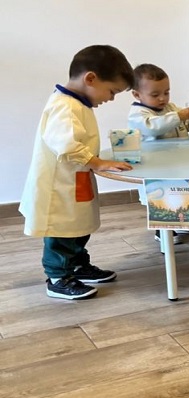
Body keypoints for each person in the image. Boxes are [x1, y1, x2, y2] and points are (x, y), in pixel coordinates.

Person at [19, 45, 135, 300]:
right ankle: (58, 277)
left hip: (75, 179)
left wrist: (94, 162)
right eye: (112, 91)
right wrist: (97, 162)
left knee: (79, 226)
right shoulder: (65, 106)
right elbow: (66, 144)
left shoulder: (77, 104)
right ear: (90, 78)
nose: (111, 98)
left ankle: (78, 266)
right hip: (58, 185)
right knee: (62, 230)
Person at [128, 63, 189, 245]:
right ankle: (163, 234)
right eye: (155, 95)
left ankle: (184, 224)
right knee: (162, 198)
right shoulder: (137, 114)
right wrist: (179, 116)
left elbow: (187, 126)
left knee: (182, 195)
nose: (162, 98)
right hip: (157, 166)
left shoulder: (171, 108)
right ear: (137, 94)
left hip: (178, 162)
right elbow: (154, 127)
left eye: (166, 92)